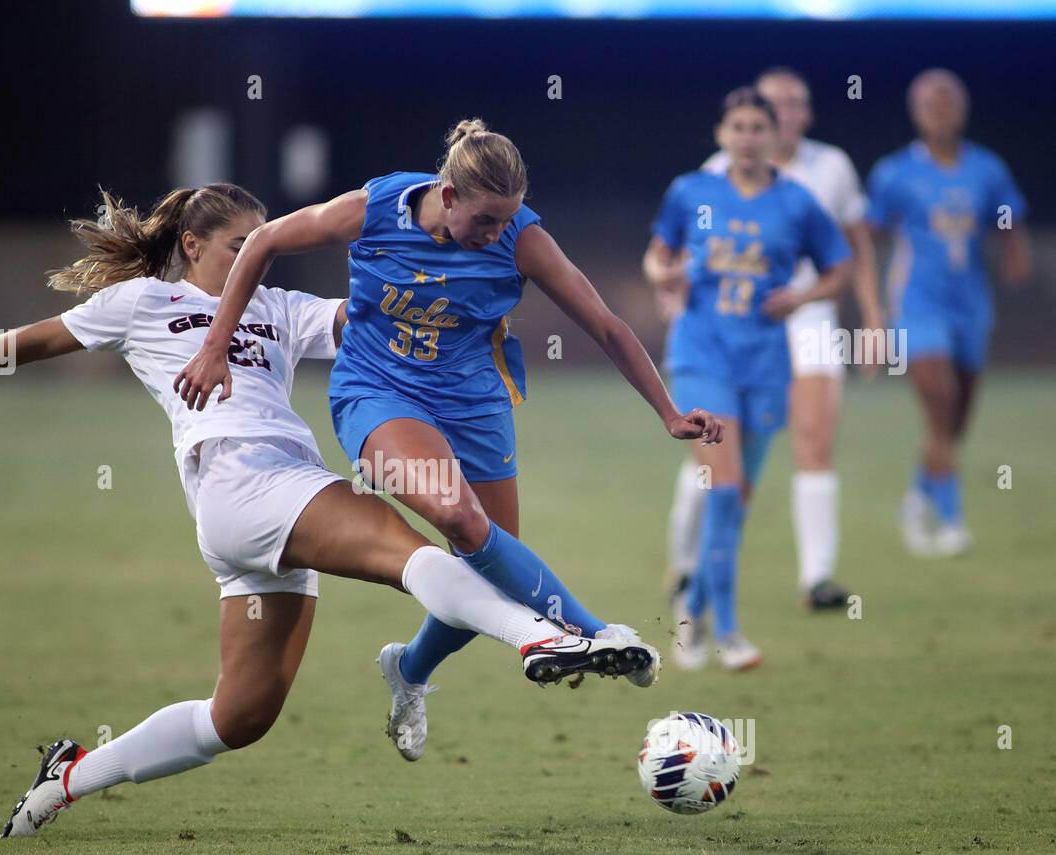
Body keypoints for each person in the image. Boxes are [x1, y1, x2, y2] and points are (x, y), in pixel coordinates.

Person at [0, 183, 657, 838]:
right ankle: (540, 641)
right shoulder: (143, 302)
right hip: (239, 481)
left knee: (240, 717)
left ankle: (67, 778)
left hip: (269, 504)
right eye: (240, 243)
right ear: (191, 245)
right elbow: (41, 338)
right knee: (413, 553)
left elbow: (372, 321)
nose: (255, 253)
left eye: (262, 242)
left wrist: (460, 302)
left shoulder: (279, 307)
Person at [171, 119, 719, 760]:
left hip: (475, 404)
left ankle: (409, 669)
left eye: (506, 221)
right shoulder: (372, 209)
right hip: (380, 394)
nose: (495, 235)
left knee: (488, 567)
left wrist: (668, 412)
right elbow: (262, 241)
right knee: (459, 517)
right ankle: (594, 632)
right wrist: (215, 347)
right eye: (486, 221)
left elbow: (606, 325)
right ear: (448, 194)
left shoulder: (521, 237)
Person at [643, 88, 853, 671]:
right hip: (702, 357)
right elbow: (656, 256)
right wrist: (667, 275)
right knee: (725, 488)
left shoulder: (797, 203)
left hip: (764, 365)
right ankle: (730, 634)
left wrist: (804, 297)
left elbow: (840, 268)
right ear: (721, 134)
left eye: (758, 126)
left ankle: (693, 605)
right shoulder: (693, 192)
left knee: (738, 500)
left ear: (773, 135)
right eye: (737, 126)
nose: (748, 136)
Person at [665, 67, 883, 611]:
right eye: (774, 103)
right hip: (727, 325)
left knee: (814, 440)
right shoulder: (713, 173)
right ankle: (687, 564)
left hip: (805, 317)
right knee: (716, 462)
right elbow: (684, 249)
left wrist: (875, 319)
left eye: (794, 102)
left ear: (805, 114)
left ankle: (817, 577)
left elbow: (854, 250)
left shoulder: (830, 167)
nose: (783, 112)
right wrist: (672, 296)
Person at [867, 69, 1031, 557]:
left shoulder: (986, 169)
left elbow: (1009, 219)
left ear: (963, 110)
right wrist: (870, 302)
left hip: (970, 305)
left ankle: (918, 496)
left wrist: (1016, 259)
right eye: (930, 105)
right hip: (918, 304)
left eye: (948, 104)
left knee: (957, 415)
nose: (940, 113)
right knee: (939, 406)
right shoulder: (894, 173)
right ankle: (953, 521)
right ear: (916, 113)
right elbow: (869, 233)